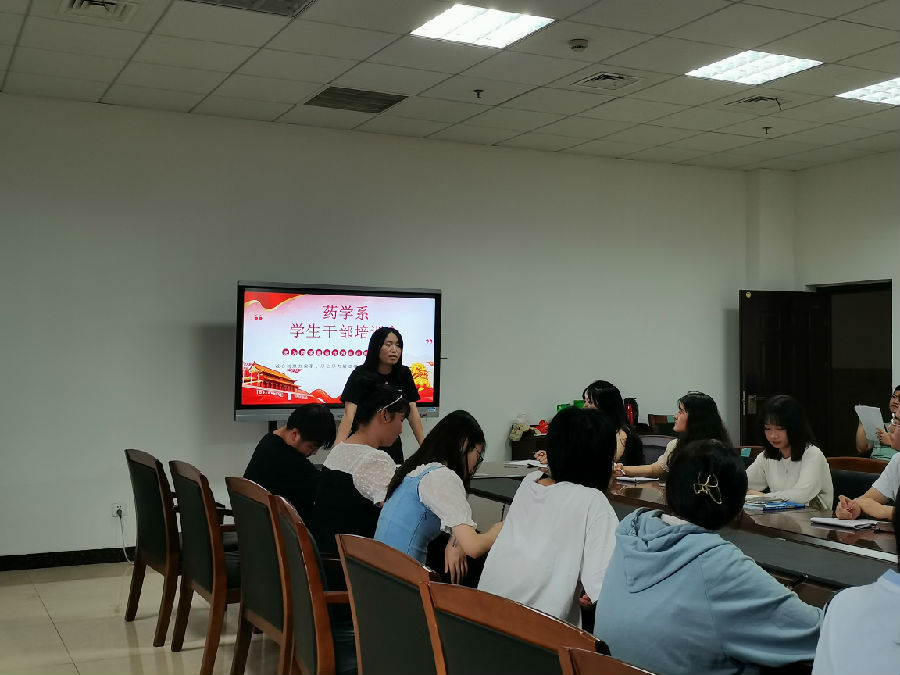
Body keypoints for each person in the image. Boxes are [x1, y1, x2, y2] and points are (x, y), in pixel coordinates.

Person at [594, 439, 823, 675]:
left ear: (668, 490)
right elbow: (819, 633)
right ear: (737, 506)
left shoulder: (631, 532)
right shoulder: (718, 564)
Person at [478, 407, 619, 626]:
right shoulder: (593, 501)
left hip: (482, 614)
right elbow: (605, 590)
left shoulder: (530, 482)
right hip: (537, 632)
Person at [375, 410, 502, 580]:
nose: (474, 466)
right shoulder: (442, 477)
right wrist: (499, 529)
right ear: (464, 444)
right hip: (405, 584)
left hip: (381, 578)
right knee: (487, 563)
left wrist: (456, 540)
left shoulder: (413, 472)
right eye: (477, 456)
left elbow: (450, 515)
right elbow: (474, 547)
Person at [313, 375, 410, 554]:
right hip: (360, 562)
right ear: (385, 415)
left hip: (330, 554)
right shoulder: (373, 459)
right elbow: (402, 514)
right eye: (401, 420)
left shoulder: (339, 450)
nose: (401, 430)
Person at [813, 483, 900, 675]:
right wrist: (853, 508)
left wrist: (886, 511)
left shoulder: (841, 604)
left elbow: (876, 507)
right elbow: (866, 500)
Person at [336, 327, 425, 464]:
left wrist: (424, 446)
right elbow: (349, 415)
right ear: (376, 347)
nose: (394, 350)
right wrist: (337, 450)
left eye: (398, 345)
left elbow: (413, 413)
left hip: (391, 444)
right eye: (388, 344)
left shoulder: (404, 374)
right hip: (363, 444)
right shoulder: (360, 374)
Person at [243, 404, 337, 530]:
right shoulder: (288, 460)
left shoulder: (268, 441)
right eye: (311, 447)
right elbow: (326, 488)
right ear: (294, 434)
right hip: (288, 536)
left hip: (260, 530)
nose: (314, 452)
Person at [616, 391, 731, 478]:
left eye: (681, 411)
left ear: (696, 418)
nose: (675, 416)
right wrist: (621, 469)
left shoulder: (716, 450)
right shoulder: (676, 445)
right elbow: (653, 469)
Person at [746, 395, 833, 510]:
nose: (773, 435)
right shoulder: (767, 456)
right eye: (768, 428)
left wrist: (763, 497)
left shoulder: (813, 455)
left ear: (794, 427)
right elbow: (742, 483)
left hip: (812, 517)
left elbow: (801, 496)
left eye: (780, 429)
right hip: (780, 516)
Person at [582, 379, 643, 466]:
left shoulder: (620, 434)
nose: (585, 406)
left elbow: (604, 464)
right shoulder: (594, 430)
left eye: (590, 402)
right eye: (585, 401)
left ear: (606, 406)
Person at [835, 450, 899, 521]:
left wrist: (885, 511)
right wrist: (853, 508)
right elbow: (866, 502)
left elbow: (875, 509)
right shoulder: (897, 459)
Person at [854, 385, 900, 461]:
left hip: (892, 465)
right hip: (873, 463)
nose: (895, 401)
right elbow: (862, 448)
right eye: (894, 397)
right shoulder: (882, 426)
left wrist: (891, 442)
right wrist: (862, 421)